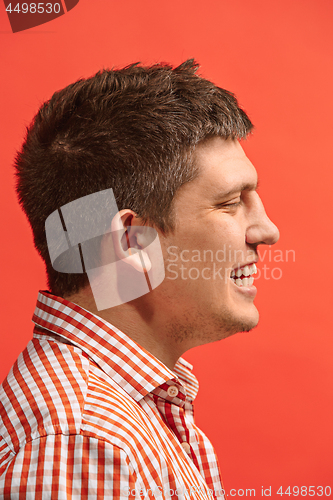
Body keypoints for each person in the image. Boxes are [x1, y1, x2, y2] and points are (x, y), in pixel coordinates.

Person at [0, 60, 279, 499]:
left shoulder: (130, 411)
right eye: (229, 203)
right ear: (132, 243)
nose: (267, 230)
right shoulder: (83, 441)